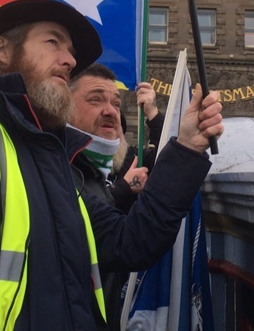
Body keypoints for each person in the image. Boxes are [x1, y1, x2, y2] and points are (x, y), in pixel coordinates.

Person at [0, 0, 224, 330]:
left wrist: (186, 148)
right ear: (2, 49)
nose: (69, 60)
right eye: (53, 42)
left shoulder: (49, 158)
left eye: (70, 52)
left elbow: (130, 242)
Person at [68, 65, 168, 330]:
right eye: (97, 101)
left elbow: (166, 158)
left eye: (116, 105)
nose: (111, 118)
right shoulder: (65, 167)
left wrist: (153, 115)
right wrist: (124, 189)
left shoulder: (127, 161)